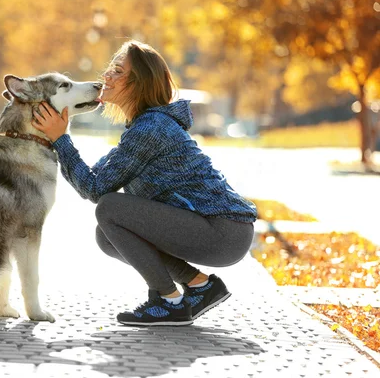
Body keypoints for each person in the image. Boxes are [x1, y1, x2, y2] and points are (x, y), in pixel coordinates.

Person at [31, 40, 257, 326]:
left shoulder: (152, 129)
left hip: (224, 232)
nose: (106, 77)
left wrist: (61, 139)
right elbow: (93, 180)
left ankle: (168, 301)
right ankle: (201, 286)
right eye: (109, 70)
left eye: (117, 71)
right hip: (217, 230)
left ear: (139, 83)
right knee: (107, 235)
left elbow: (97, 191)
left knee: (111, 208)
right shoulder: (143, 127)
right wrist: (59, 138)